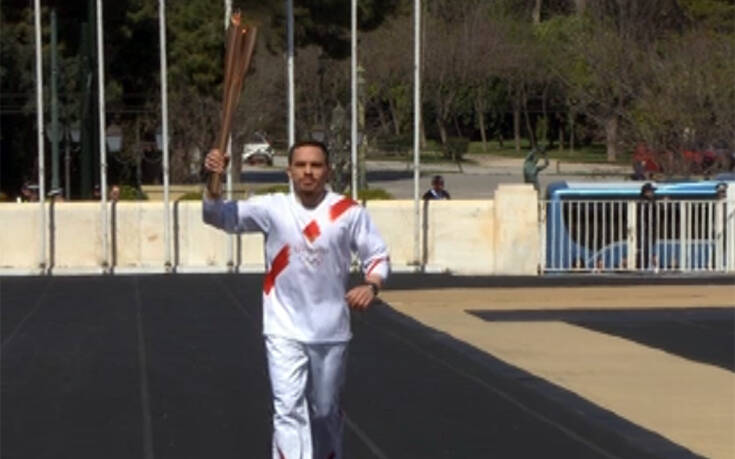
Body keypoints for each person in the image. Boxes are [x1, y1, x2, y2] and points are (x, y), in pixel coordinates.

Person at [202, 140, 390, 459]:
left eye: (316, 165)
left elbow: (377, 255)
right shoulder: (272, 208)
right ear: (289, 170)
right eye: (301, 165)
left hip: (330, 330)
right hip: (283, 326)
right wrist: (212, 180)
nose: (308, 172)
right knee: (287, 410)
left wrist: (371, 286)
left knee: (325, 411)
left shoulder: (348, 212)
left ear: (327, 171)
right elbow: (216, 215)